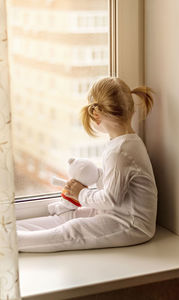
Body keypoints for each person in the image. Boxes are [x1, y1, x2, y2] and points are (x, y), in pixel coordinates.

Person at [17, 77, 157, 252]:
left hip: (133, 225)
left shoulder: (120, 151)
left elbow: (111, 200)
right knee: (72, 215)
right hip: (120, 214)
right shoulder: (126, 143)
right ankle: (13, 231)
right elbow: (116, 186)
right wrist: (94, 178)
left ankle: (11, 242)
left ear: (96, 115)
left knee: (74, 230)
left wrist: (80, 193)